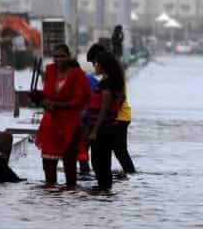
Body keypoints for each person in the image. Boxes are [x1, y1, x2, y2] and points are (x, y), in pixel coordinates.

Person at [31, 44, 91, 188]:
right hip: (50, 122)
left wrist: (55, 105)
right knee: (48, 168)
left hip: (69, 124)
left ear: (68, 57)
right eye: (56, 56)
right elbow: (47, 95)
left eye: (62, 56)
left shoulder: (77, 74)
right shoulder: (50, 70)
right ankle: (52, 199)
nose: (58, 59)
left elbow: (78, 101)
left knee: (70, 168)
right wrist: (40, 99)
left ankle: (69, 198)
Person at [88, 44, 136, 175]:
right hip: (118, 117)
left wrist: (112, 114)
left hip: (119, 117)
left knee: (119, 151)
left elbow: (119, 98)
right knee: (116, 152)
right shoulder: (111, 74)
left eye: (94, 62)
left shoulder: (112, 78)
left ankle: (131, 175)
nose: (94, 65)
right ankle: (129, 176)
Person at [87, 51, 126, 190]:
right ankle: (105, 191)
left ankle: (103, 189)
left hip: (103, 128)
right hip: (108, 126)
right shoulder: (111, 82)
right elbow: (120, 99)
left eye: (96, 63)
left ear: (103, 65)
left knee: (98, 161)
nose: (95, 66)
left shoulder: (106, 84)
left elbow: (105, 108)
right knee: (103, 161)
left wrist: (95, 130)